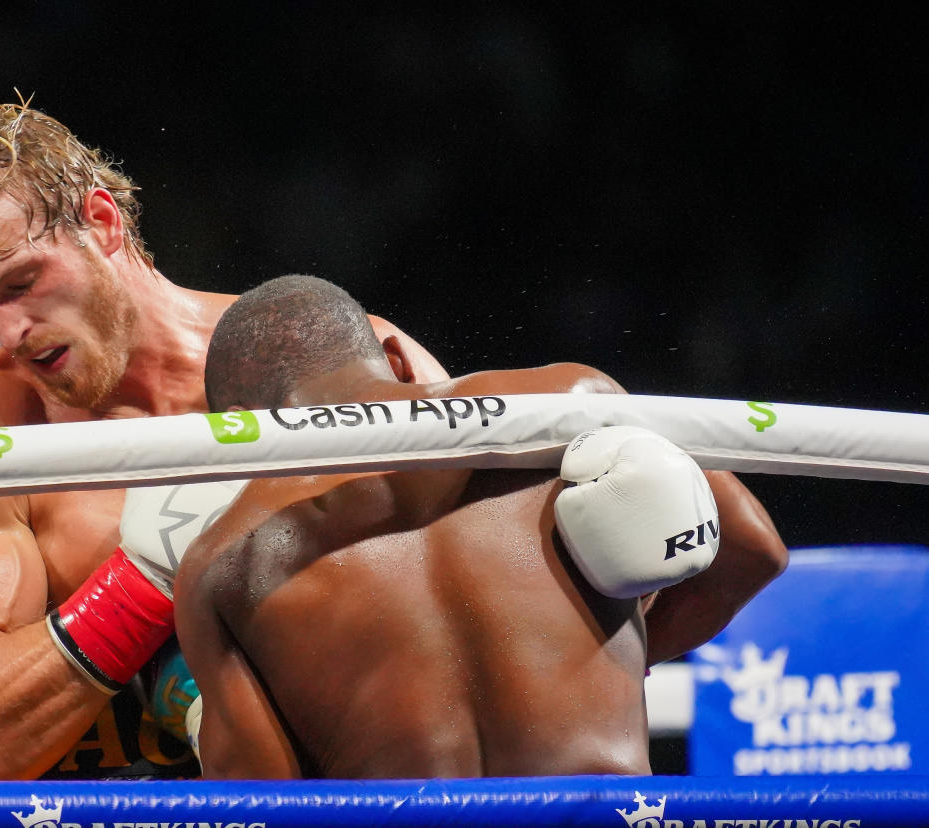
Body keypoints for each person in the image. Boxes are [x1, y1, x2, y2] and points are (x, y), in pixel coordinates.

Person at [0, 99, 450, 781]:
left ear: (102, 224)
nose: (9, 330)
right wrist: (143, 580)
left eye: (22, 283)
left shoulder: (329, 357)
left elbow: (465, 598)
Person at [175, 274, 788, 778]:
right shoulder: (564, 401)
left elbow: (265, 809)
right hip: (606, 817)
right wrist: (603, 660)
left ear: (241, 430)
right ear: (395, 358)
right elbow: (755, 552)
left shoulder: (223, 561)